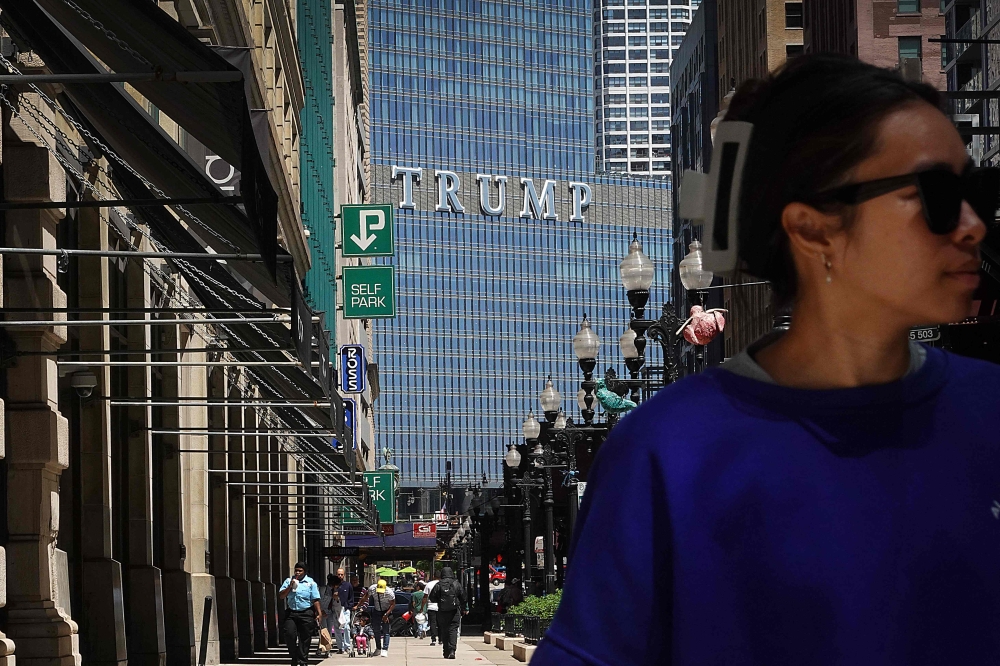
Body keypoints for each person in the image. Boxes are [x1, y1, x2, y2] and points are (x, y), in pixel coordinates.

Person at [532, 54, 1000, 666]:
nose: (971, 226)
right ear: (812, 230)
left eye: (979, 193)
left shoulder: (990, 412)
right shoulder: (666, 452)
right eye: (936, 196)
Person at [278, 562, 322, 666]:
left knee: (305, 638)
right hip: (292, 613)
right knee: (289, 634)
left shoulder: (311, 583)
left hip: (306, 612)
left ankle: (303, 660)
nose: (297, 572)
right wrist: (290, 586)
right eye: (296, 570)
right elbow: (281, 596)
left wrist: (319, 613)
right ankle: (294, 656)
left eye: (300, 571)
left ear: (305, 572)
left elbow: (315, 599)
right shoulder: (289, 581)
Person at [428, 566, 467, 659]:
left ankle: (446, 651)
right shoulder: (456, 584)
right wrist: (463, 607)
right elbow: (464, 597)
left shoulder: (438, 584)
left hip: (442, 611)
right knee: (453, 629)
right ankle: (452, 650)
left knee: (444, 630)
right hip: (454, 610)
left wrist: (440, 601)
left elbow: (432, 598)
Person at [356, 578, 395, 657]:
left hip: (386, 610)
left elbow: (393, 604)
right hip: (377, 610)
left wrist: (386, 614)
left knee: (386, 630)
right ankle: (378, 648)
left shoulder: (390, 593)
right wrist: (358, 605)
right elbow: (365, 597)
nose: (380, 592)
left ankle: (385, 649)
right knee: (376, 630)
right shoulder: (372, 589)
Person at [334, 567, 355, 654]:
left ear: (344, 575)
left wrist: (349, 606)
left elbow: (351, 597)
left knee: (346, 626)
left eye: (341, 574)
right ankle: (340, 647)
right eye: (338, 574)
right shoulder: (333, 585)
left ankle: (347, 646)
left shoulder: (348, 585)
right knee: (337, 628)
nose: (340, 576)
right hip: (336, 608)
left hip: (345, 609)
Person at [317, 573, 339, 656]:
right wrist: (321, 612)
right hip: (322, 612)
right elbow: (318, 601)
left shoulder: (335, 591)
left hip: (330, 612)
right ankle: (321, 649)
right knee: (324, 631)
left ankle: (326, 650)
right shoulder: (323, 589)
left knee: (328, 632)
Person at [423, 572, 440, 647]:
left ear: (433, 576)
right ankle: (441, 639)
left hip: (431, 606)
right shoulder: (443, 584)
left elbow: (425, 597)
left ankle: (433, 639)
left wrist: (422, 607)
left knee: (433, 623)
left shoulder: (429, 584)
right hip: (441, 606)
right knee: (441, 623)